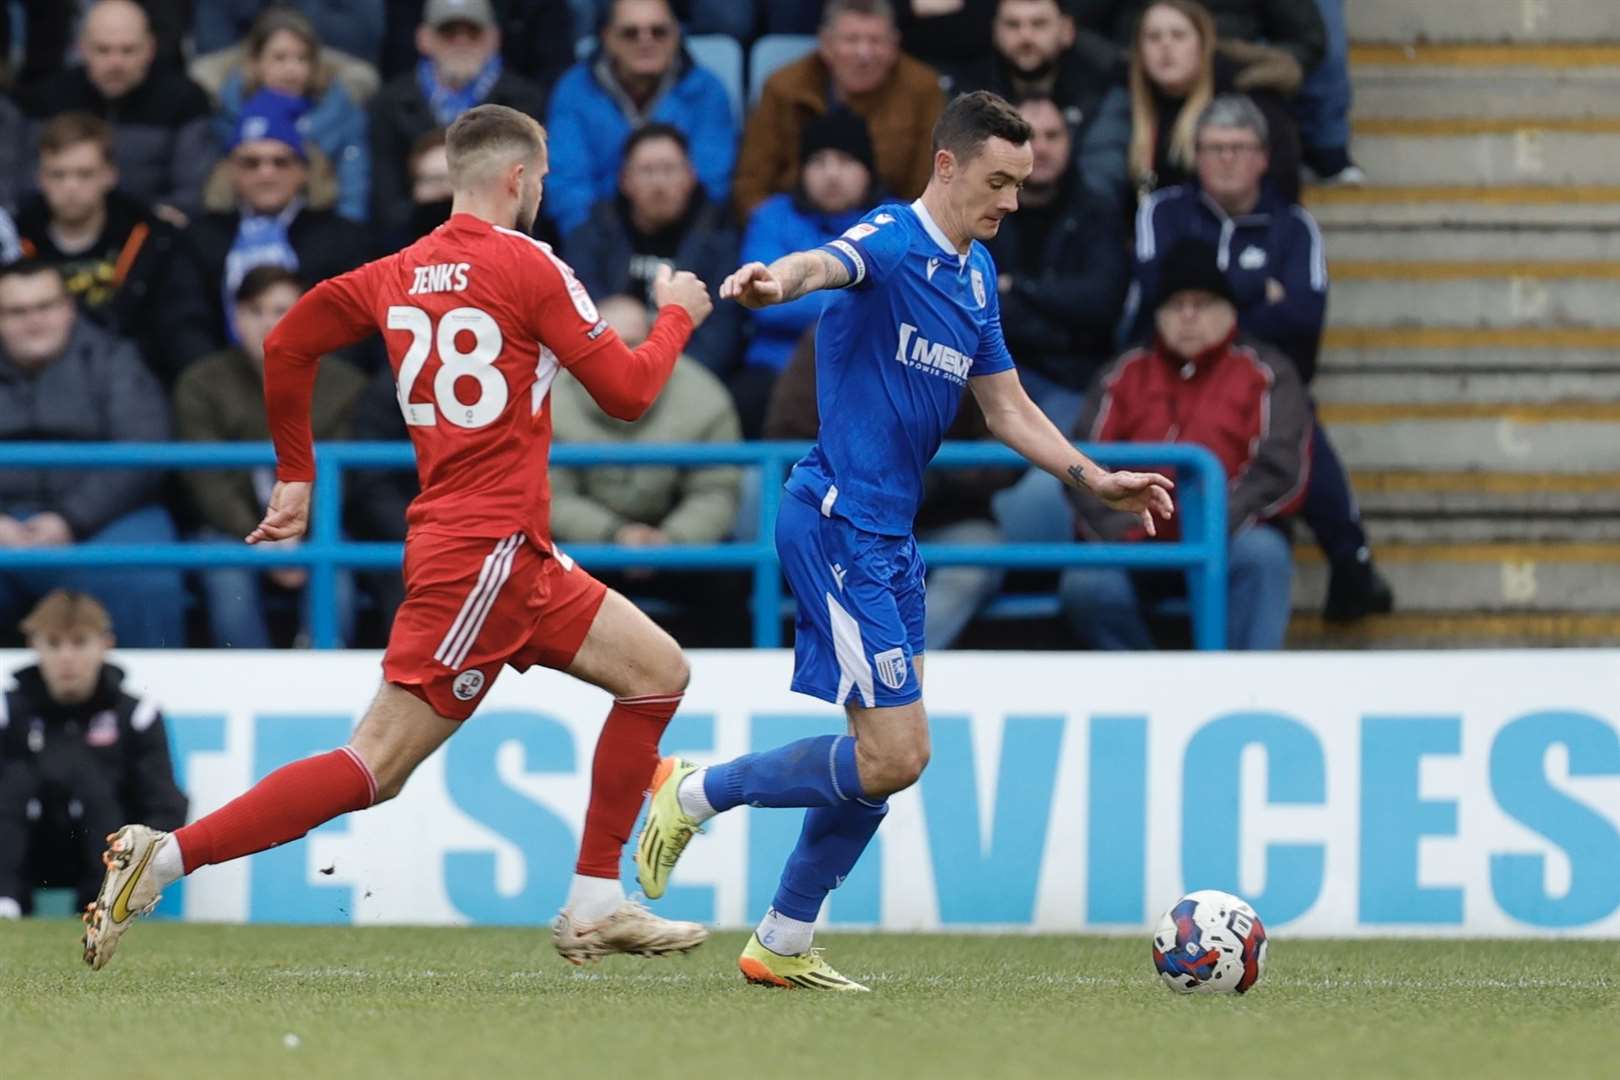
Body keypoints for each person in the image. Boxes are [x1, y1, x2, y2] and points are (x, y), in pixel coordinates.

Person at [81, 104, 718, 974]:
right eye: (541, 181)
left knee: (657, 675)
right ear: (518, 179)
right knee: (375, 766)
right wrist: (677, 314)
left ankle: (596, 897)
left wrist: (297, 473)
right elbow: (630, 393)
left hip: (511, 553)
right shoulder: (533, 266)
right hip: (482, 556)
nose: (540, 194)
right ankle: (163, 858)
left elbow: (289, 344)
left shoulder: (398, 270)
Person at [636, 91, 1174, 989]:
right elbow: (825, 264)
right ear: (949, 165)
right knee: (897, 753)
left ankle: (783, 941)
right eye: (999, 181)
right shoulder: (893, 237)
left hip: (889, 536)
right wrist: (777, 279)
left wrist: (1094, 478)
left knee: (884, 759)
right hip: (836, 519)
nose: (1011, 202)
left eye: (1023, 184)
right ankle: (691, 792)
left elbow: (1005, 407)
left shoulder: (973, 277)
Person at [1132, 94, 1391, 620]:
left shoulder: (1294, 226)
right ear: (1195, 155)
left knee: (1293, 417)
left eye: (1238, 148)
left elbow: (1303, 326)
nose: (1225, 159)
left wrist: (1215, 301)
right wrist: (1254, 291)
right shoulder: (1163, 211)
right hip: (1169, 370)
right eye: (1213, 148)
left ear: (1263, 158)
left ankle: (1350, 562)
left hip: (1266, 375)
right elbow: (1154, 303)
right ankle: (1353, 557)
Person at [1061, 239, 1310, 651]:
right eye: (1176, 305)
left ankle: (1244, 692)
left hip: (1228, 536)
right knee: (1087, 584)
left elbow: (1281, 468)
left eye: (1204, 304)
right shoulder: (1123, 373)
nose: (1189, 317)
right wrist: (1125, 527)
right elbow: (1083, 464)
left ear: (1230, 310)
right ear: (1157, 315)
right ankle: (1150, 694)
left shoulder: (1267, 372)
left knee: (1265, 556)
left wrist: (1209, 523)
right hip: (1135, 539)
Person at [765, 329, 1019, 650]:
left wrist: (937, 476)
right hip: (846, 517)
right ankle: (868, 675)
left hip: (949, 516)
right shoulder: (832, 333)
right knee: (831, 562)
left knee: (978, 556)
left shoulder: (965, 334)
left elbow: (1008, 443)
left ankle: (895, 672)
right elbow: (785, 438)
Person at [175, 266, 366, 649]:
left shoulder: (345, 386)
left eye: (281, 310)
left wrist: (298, 533)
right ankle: (246, 694)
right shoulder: (200, 383)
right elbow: (207, 480)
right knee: (228, 582)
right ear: (235, 317)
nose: (268, 322)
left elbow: (343, 479)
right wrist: (261, 538)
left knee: (335, 578)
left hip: (317, 531)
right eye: (254, 310)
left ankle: (321, 686)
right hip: (232, 531)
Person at [0, 261, 184, 649]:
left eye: (45, 306)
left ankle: (148, 707)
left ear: (69, 307)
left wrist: (70, 519)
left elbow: (144, 447)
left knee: (146, 578)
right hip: (4, 514)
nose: (33, 321)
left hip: (103, 519)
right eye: (16, 312)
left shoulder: (115, 359)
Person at [551, 294, 745, 643]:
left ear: (655, 337)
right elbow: (549, 493)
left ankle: (722, 690)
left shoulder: (703, 394)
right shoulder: (550, 397)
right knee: (531, 571)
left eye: (633, 343)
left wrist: (670, 540)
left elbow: (716, 489)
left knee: (730, 579)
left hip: (677, 545)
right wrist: (614, 534)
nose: (621, 355)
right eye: (609, 343)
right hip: (589, 545)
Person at [0, 591, 187, 919]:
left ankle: (106, 905)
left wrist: (137, 867)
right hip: (25, 850)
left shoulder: (136, 714)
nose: (67, 657)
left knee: (96, 785)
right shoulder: (7, 712)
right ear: (34, 645)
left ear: (105, 643)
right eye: (54, 644)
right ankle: (5, 902)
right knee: (15, 782)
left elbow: (165, 806)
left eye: (80, 642)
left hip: (106, 853)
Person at [172, 90, 371, 364]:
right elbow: (185, 322)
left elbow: (355, 322)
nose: (266, 174)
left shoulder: (343, 238)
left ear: (302, 171)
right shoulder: (200, 238)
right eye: (251, 163)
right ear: (232, 171)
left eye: (281, 162)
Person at [13, 112, 201, 384]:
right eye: (58, 174)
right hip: (33, 380)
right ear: (40, 178)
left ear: (109, 175)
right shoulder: (13, 241)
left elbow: (179, 327)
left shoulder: (153, 238)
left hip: (132, 379)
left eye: (84, 174)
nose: (70, 186)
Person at [1078, 0, 1303, 218]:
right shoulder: (1126, 103)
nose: (1166, 46)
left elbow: (1281, 183)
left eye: (1178, 35)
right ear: (1139, 50)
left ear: (1203, 44)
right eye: (1153, 37)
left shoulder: (1248, 99)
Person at [732, 108, 879, 437]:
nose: (831, 174)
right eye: (818, 161)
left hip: (871, 368)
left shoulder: (894, 221)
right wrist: (860, 298)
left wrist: (806, 292)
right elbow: (765, 300)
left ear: (868, 170)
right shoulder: (772, 217)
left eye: (845, 161)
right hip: (775, 367)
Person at [983, 95, 1128, 428]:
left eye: (1053, 136)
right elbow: (976, 306)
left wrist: (1017, 287)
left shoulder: (1097, 212)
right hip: (991, 378)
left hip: (1074, 383)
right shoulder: (981, 211)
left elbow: (1102, 302)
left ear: (1070, 141)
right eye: (1027, 137)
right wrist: (1059, 319)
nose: (1041, 148)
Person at [732, 0, 947, 221]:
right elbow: (751, 185)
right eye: (851, 40)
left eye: (876, 41)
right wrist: (775, 229)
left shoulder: (923, 90)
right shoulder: (783, 89)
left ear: (894, 45)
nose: (864, 53)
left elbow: (930, 189)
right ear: (826, 45)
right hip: (794, 229)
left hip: (889, 230)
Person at [544, 0, 737, 237]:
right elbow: (567, 185)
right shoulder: (573, 90)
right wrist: (594, 244)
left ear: (677, 34)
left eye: (659, 31)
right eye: (630, 33)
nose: (645, 41)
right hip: (599, 242)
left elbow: (711, 183)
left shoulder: (708, 90)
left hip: (686, 242)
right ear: (607, 38)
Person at [562, 123, 742, 377]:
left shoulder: (720, 239)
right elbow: (578, 319)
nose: (659, 183)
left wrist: (663, 374)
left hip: (688, 379)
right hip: (605, 374)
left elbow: (721, 335)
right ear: (625, 180)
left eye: (670, 170)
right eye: (647, 171)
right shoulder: (593, 233)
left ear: (690, 176)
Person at [17, 1, 217, 224]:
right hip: (63, 231)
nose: (116, 62)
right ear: (82, 48)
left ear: (150, 48)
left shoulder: (184, 100)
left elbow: (190, 193)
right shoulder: (48, 99)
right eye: (103, 49)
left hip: (152, 234)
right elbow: (27, 184)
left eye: (128, 50)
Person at [369, 0, 549, 239]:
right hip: (413, 241)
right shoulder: (389, 103)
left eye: (473, 32)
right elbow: (386, 201)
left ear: (494, 38)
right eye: (448, 32)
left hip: (501, 241)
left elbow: (529, 193)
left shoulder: (526, 102)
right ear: (423, 38)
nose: (461, 42)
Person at [210, 6, 373, 223]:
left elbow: (353, 186)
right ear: (256, 62)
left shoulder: (340, 110)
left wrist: (347, 235)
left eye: (302, 59)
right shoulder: (229, 111)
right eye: (280, 58)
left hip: (324, 230)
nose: (292, 70)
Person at [945, 0, 1112, 147]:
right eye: (1013, 24)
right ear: (995, 32)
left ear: (1066, 31)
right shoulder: (969, 97)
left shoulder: (1100, 93)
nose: (1025, 36)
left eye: (1039, 24)